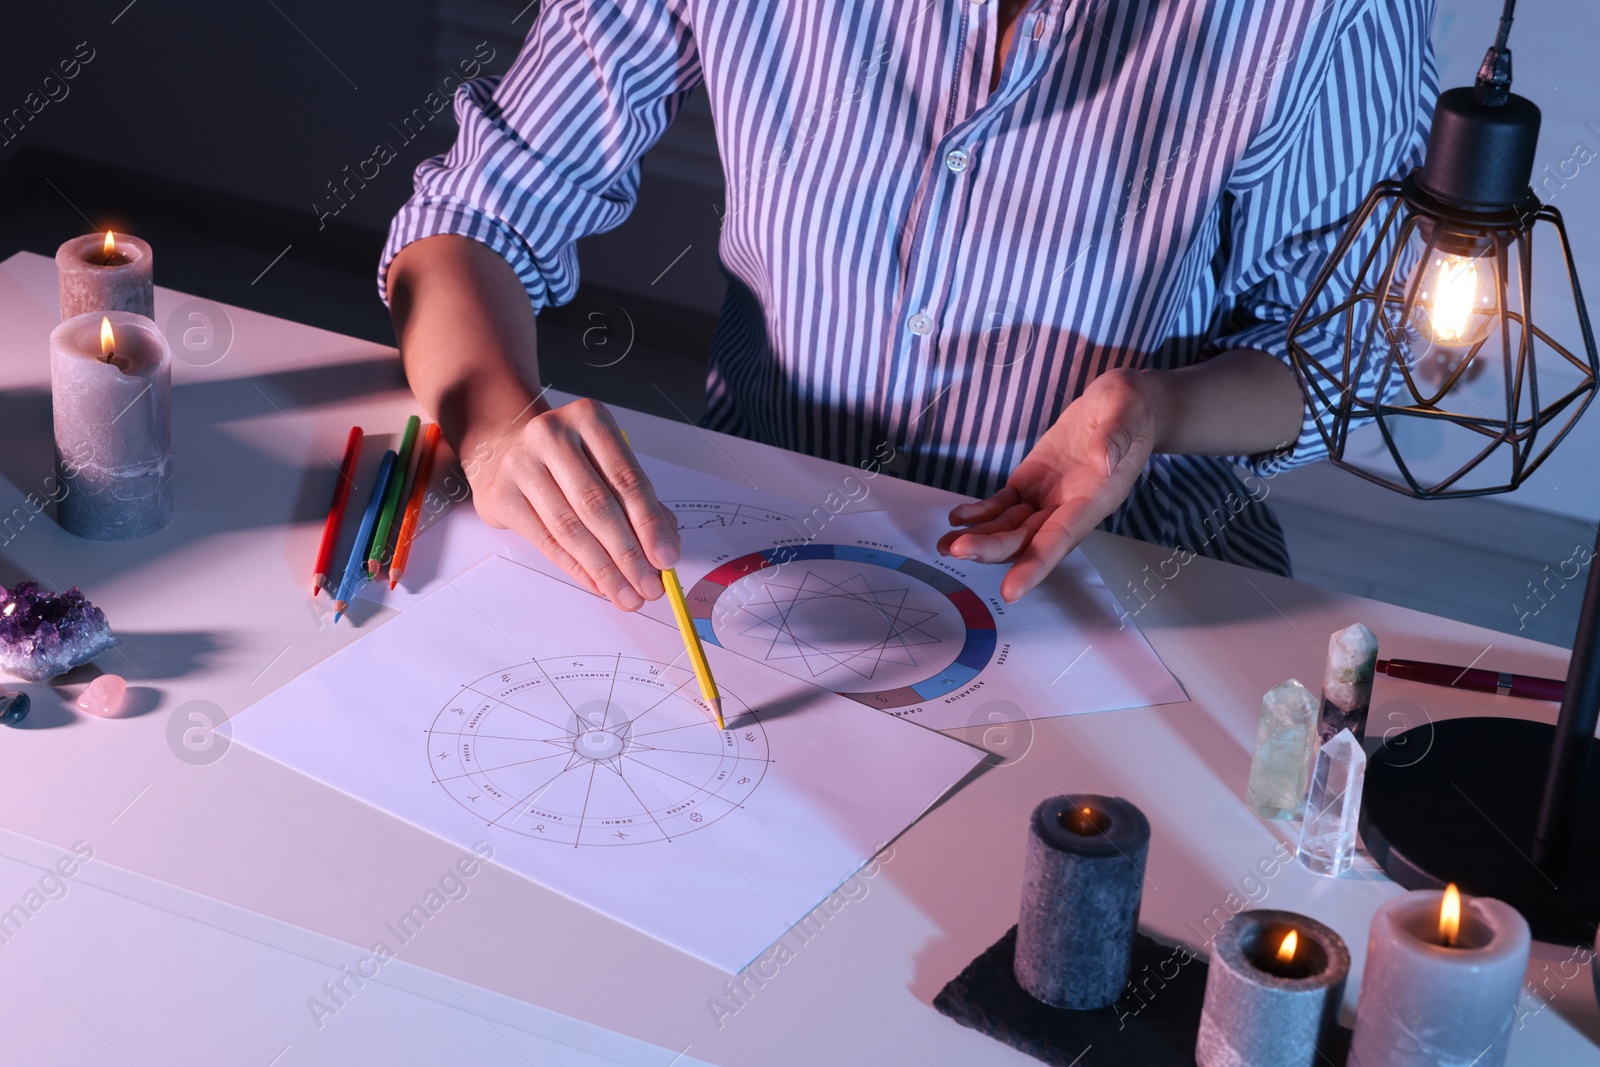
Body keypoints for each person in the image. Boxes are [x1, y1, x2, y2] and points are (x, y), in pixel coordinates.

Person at [382, 0, 1435, 612]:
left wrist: (1156, 411)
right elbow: (479, 211)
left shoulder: (1318, 17)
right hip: (765, 543)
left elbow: (1358, 346)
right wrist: (493, 421)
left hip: (1123, 586)